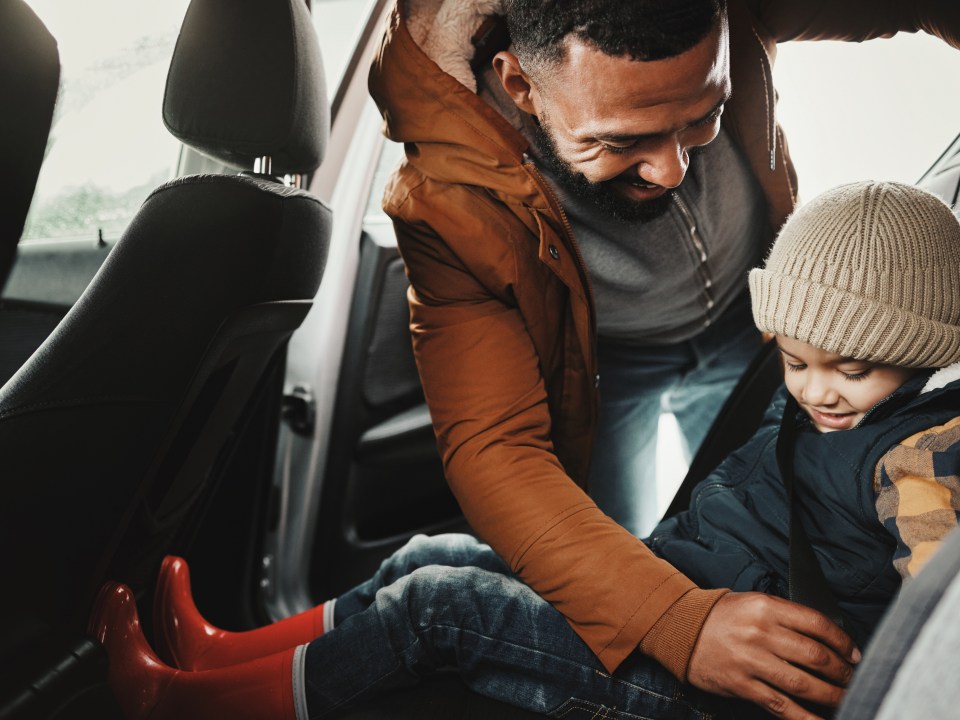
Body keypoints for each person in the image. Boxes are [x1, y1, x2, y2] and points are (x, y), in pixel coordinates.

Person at [89, 181, 960, 720]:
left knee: (443, 606)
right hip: (684, 598)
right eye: (796, 362)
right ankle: (220, 654)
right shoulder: (835, 402)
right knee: (437, 553)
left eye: (851, 370)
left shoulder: (921, 460)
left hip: (712, 694)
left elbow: (940, 625)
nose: (815, 391)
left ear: (927, 351)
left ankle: (187, 706)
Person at [367, 0, 960, 713]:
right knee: (609, 585)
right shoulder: (448, 191)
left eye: (703, 117)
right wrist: (680, 620)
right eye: (620, 140)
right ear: (520, 84)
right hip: (608, 367)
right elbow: (494, 449)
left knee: (778, 515)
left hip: (768, 337)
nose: (674, 168)